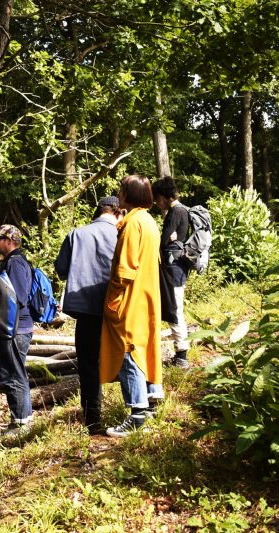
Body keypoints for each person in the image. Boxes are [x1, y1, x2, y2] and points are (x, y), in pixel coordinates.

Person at [100, 175, 163, 437]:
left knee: (129, 351)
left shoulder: (132, 224)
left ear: (130, 194)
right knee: (142, 345)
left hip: (130, 299)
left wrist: (112, 298)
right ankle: (149, 402)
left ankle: (137, 414)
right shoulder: (148, 221)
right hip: (146, 295)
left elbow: (125, 271)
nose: (119, 193)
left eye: (122, 189)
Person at [54, 197, 121, 434]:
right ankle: (132, 413)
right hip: (117, 308)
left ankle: (93, 420)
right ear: (117, 213)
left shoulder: (77, 234)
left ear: (98, 211)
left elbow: (61, 270)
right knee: (125, 358)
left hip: (85, 310)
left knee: (89, 365)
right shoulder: (122, 234)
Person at [0, 224, 34, 436]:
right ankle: (21, 419)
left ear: (9, 241)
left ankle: (21, 422)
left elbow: (18, 297)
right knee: (12, 372)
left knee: (13, 374)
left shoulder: (15, 263)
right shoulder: (13, 262)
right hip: (14, 327)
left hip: (15, 328)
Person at [152, 177, 191, 369]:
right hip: (177, 268)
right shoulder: (181, 210)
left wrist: (167, 238)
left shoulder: (176, 211)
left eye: (157, 199)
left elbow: (164, 241)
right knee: (175, 308)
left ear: (164, 196)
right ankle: (180, 353)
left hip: (173, 270)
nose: (157, 203)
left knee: (175, 309)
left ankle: (182, 355)